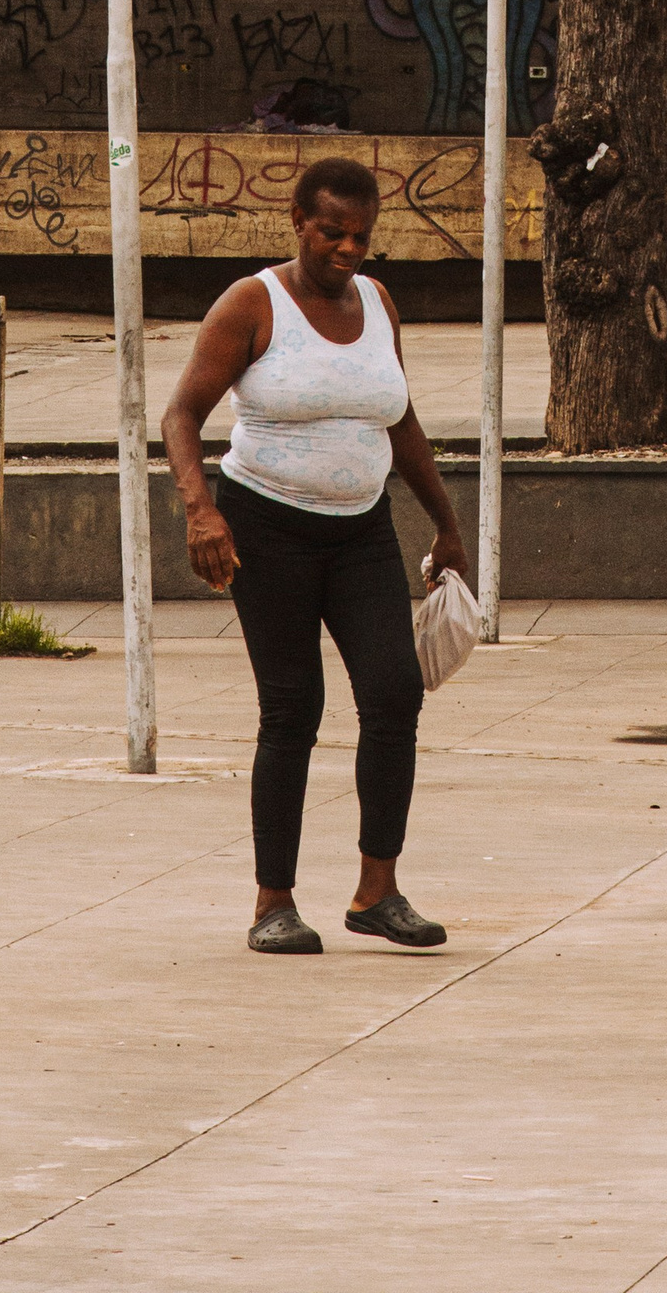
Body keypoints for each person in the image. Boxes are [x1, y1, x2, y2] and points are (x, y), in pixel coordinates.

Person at [162, 156, 471, 956]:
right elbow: (182, 416)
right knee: (293, 708)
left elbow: (399, 420)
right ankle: (274, 902)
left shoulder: (377, 301)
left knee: (395, 692)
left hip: (361, 527)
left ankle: (378, 891)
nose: (347, 248)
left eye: (361, 235)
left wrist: (446, 521)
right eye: (331, 231)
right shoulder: (252, 304)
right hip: (265, 528)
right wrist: (202, 512)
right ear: (297, 219)